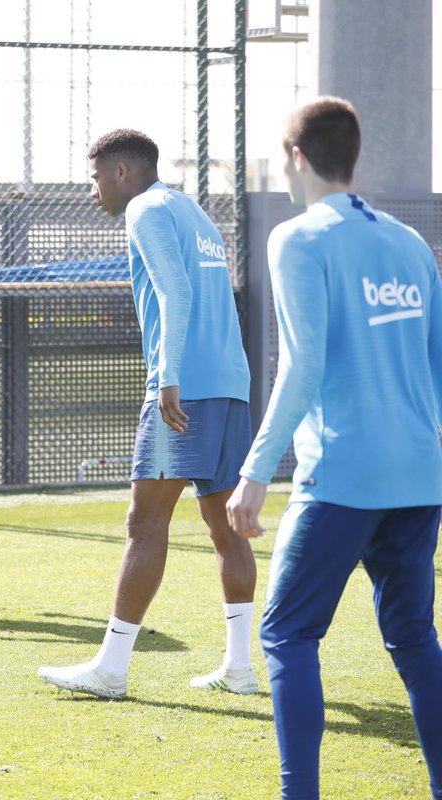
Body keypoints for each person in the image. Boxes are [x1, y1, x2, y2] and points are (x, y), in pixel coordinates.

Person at [227, 97, 442, 800]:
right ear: (354, 157)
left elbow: (302, 365)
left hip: (344, 477)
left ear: (295, 156)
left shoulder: (296, 238)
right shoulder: (411, 244)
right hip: (420, 478)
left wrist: (256, 471)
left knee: (287, 635)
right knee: (415, 642)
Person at [37, 129, 257, 699]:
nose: (92, 193)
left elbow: (176, 294)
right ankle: (239, 668)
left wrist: (167, 375)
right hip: (231, 385)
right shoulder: (195, 214)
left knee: (144, 522)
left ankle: (111, 669)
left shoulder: (145, 209)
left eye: (94, 179)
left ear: (122, 172)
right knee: (225, 527)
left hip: (187, 387)